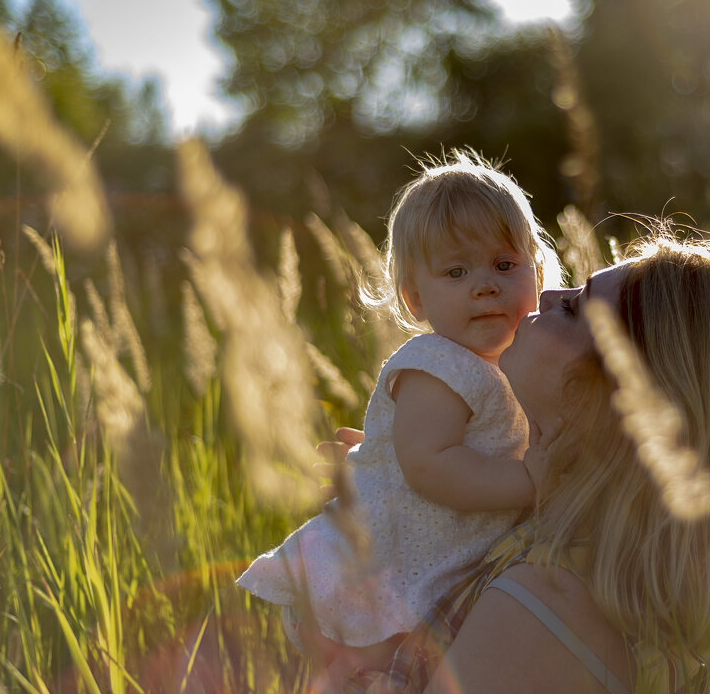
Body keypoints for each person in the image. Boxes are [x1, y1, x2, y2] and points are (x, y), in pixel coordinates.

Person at [335, 231, 710, 694]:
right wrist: (396, 503)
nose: (543, 295)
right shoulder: (595, 570)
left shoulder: (545, 609)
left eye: (573, 307)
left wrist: (326, 659)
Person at [237, 150, 562, 682]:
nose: (485, 284)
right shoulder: (436, 365)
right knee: (381, 662)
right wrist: (529, 480)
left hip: (435, 556)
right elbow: (429, 465)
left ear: (538, 271)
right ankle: (358, 669)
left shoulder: (508, 366)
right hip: (383, 568)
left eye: (505, 265)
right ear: (414, 298)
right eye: (456, 271)